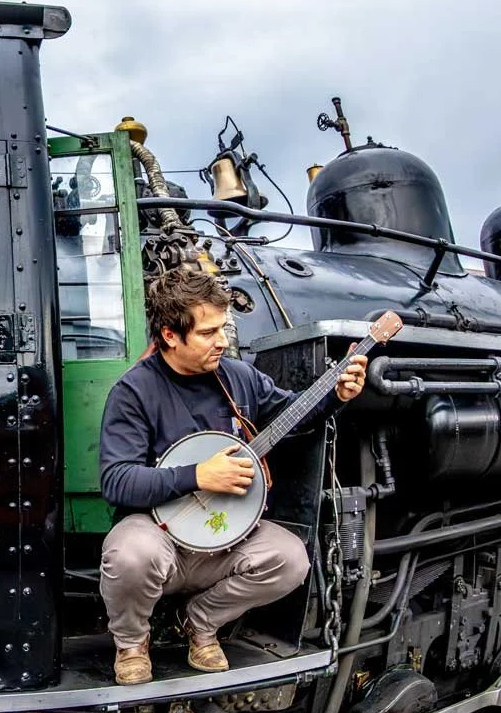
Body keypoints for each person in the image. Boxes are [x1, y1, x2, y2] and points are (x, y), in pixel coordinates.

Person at [97, 269, 367, 685]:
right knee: (129, 555)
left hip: (225, 536)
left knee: (291, 559)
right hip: (159, 534)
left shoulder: (237, 377)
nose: (222, 340)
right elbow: (117, 481)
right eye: (207, 332)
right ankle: (132, 642)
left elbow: (290, 415)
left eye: (223, 328)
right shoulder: (135, 391)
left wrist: (336, 395)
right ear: (170, 335)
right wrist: (199, 475)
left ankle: (200, 621)